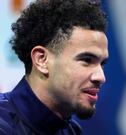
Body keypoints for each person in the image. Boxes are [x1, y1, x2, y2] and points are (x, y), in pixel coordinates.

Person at [0, 0, 108, 134]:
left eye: (102, 63)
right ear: (41, 60)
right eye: (87, 60)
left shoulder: (71, 131)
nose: (101, 77)